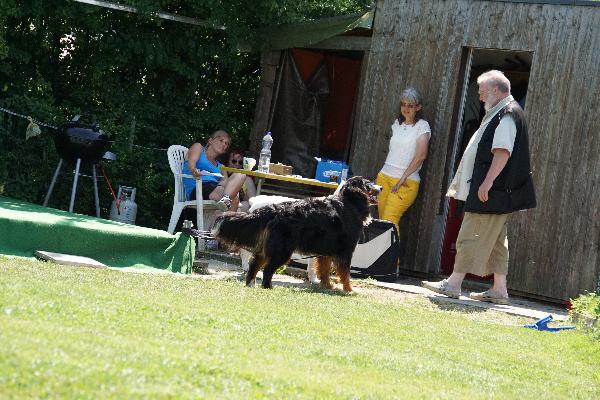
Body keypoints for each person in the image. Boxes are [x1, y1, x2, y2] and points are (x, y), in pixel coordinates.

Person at [423, 70, 536, 305]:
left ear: (495, 89)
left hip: (492, 192)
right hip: (500, 194)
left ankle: (453, 284)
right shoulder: (503, 111)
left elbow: (502, 152)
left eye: (482, 91)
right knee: (497, 243)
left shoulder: (506, 114)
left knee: (469, 235)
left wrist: (487, 182)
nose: (480, 95)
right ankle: (499, 290)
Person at [376, 87, 431, 235]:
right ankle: (384, 252)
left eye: (410, 105)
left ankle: (393, 252)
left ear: (418, 107)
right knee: (381, 222)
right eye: (403, 104)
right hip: (384, 177)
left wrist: (403, 177)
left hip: (405, 182)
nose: (406, 109)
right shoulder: (397, 124)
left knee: (389, 221)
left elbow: (421, 155)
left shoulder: (422, 126)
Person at [182, 130, 247, 212]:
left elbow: (225, 182)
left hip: (216, 189)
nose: (224, 144)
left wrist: (223, 185)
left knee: (241, 175)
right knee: (233, 200)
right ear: (210, 141)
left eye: (226, 143)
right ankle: (225, 209)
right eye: (221, 140)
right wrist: (194, 170)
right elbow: (191, 163)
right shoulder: (199, 147)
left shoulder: (221, 166)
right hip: (198, 188)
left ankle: (225, 206)